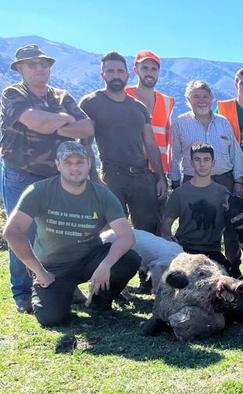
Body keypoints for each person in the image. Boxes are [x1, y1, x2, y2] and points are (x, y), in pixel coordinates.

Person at [2, 141, 140, 326]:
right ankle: (62, 295)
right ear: (57, 165)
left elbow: (126, 236)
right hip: (53, 268)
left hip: (89, 259)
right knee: (51, 319)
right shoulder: (39, 191)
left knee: (129, 259)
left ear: (89, 163)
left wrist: (106, 264)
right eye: (68, 163)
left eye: (79, 162)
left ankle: (99, 304)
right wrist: (38, 271)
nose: (75, 168)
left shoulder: (102, 195)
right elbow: (12, 232)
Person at [1, 44, 93, 312]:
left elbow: (87, 127)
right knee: (22, 231)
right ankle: (22, 292)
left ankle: (63, 283)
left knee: (57, 231)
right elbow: (37, 123)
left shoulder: (61, 95)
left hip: (56, 175)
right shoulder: (13, 93)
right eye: (32, 65)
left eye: (44, 64)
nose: (40, 68)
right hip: (20, 172)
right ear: (20, 68)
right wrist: (64, 121)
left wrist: (50, 122)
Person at [80, 51, 167, 233]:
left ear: (128, 75)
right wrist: (94, 178)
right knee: (110, 231)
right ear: (102, 74)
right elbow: (85, 143)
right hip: (111, 177)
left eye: (120, 71)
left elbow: (151, 145)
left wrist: (160, 177)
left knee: (149, 230)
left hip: (141, 176)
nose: (116, 75)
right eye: (110, 71)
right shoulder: (91, 103)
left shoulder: (138, 107)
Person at [169, 80, 243, 272]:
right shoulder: (180, 123)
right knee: (194, 223)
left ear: (212, 98)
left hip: (224, 179)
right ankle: (191, 265)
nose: (201, 100)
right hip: (192, 181)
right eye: (196, 96)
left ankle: (233, 265)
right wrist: (175, 181)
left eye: (205, 96)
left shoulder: (223, 122)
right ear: (188, 99)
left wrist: (238, 180)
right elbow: (174, 153)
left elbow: (235, 151)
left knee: (230, 225)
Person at [160, 143, 238, 276]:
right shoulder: (180, 193)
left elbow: (232, 223)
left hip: (212, 251)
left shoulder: (223, 192)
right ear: (191, 162)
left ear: (213, 163)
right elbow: (166, 225)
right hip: (185, 251)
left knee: (228, 284)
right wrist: (171, 244)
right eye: (197, 159)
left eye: (206, 159)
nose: (202, 164)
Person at [125, 50, 175, 174]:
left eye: (154, 69)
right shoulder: (123, 96)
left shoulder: (167, 101)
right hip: (129, 169)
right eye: (145, 68)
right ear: (136, 70)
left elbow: (169, 137)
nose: (149, 73)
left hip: (158, 172)